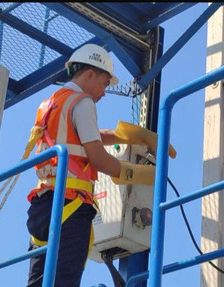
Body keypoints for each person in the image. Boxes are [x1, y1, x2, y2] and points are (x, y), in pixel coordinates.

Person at [24, 44, 176, 286]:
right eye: (105, 83)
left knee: (40, 280)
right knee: (64, 280)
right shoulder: (83, 102)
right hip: (71, 204)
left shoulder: (52, 103)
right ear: (90, 74)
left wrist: (127, 136)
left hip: (42, 205)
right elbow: (96, 156)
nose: (104, 93)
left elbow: (84, 135)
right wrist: (139, 173)